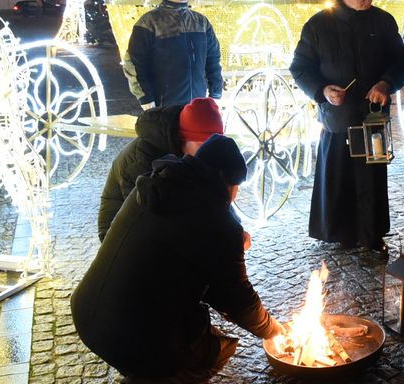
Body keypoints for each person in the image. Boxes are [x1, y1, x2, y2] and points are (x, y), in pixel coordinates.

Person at [72, 134, 284, 382]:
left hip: (87, 314)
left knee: (184, 326)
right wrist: (275, 330)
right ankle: (153, 374)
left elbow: (194, 261)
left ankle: (142, 370)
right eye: (236, 186)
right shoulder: (217, 224)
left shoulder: (158, 182)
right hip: (131, 336)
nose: (235, 195)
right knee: (215, 350)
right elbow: (237, 300)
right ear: (225, 180)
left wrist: (229, 248)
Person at [290, 0, 404, 252]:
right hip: (337, 119)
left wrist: (385, 83)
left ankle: (371, 235)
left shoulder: (383, 21)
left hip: (372, 118)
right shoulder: (318, 25)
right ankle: (340, 234)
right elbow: (300, 67)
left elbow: (401, 63)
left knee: (371, 180)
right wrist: (322, 90)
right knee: (338, 178)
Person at [98, 97, 223, 242]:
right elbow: (148, 216)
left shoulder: (193, 152)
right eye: (203, 145)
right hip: (118, 234)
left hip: (157, 223)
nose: (210, 152)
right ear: (183, 138)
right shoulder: (144, 157)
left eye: (213, 144)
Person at [122, 0, 223, 110]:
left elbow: (213, 59)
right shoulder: (149, 22)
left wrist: (216, 92)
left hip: (197, 106)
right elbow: (134, 63)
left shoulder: (201, 22)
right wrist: (146, 99)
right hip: (164, 107)